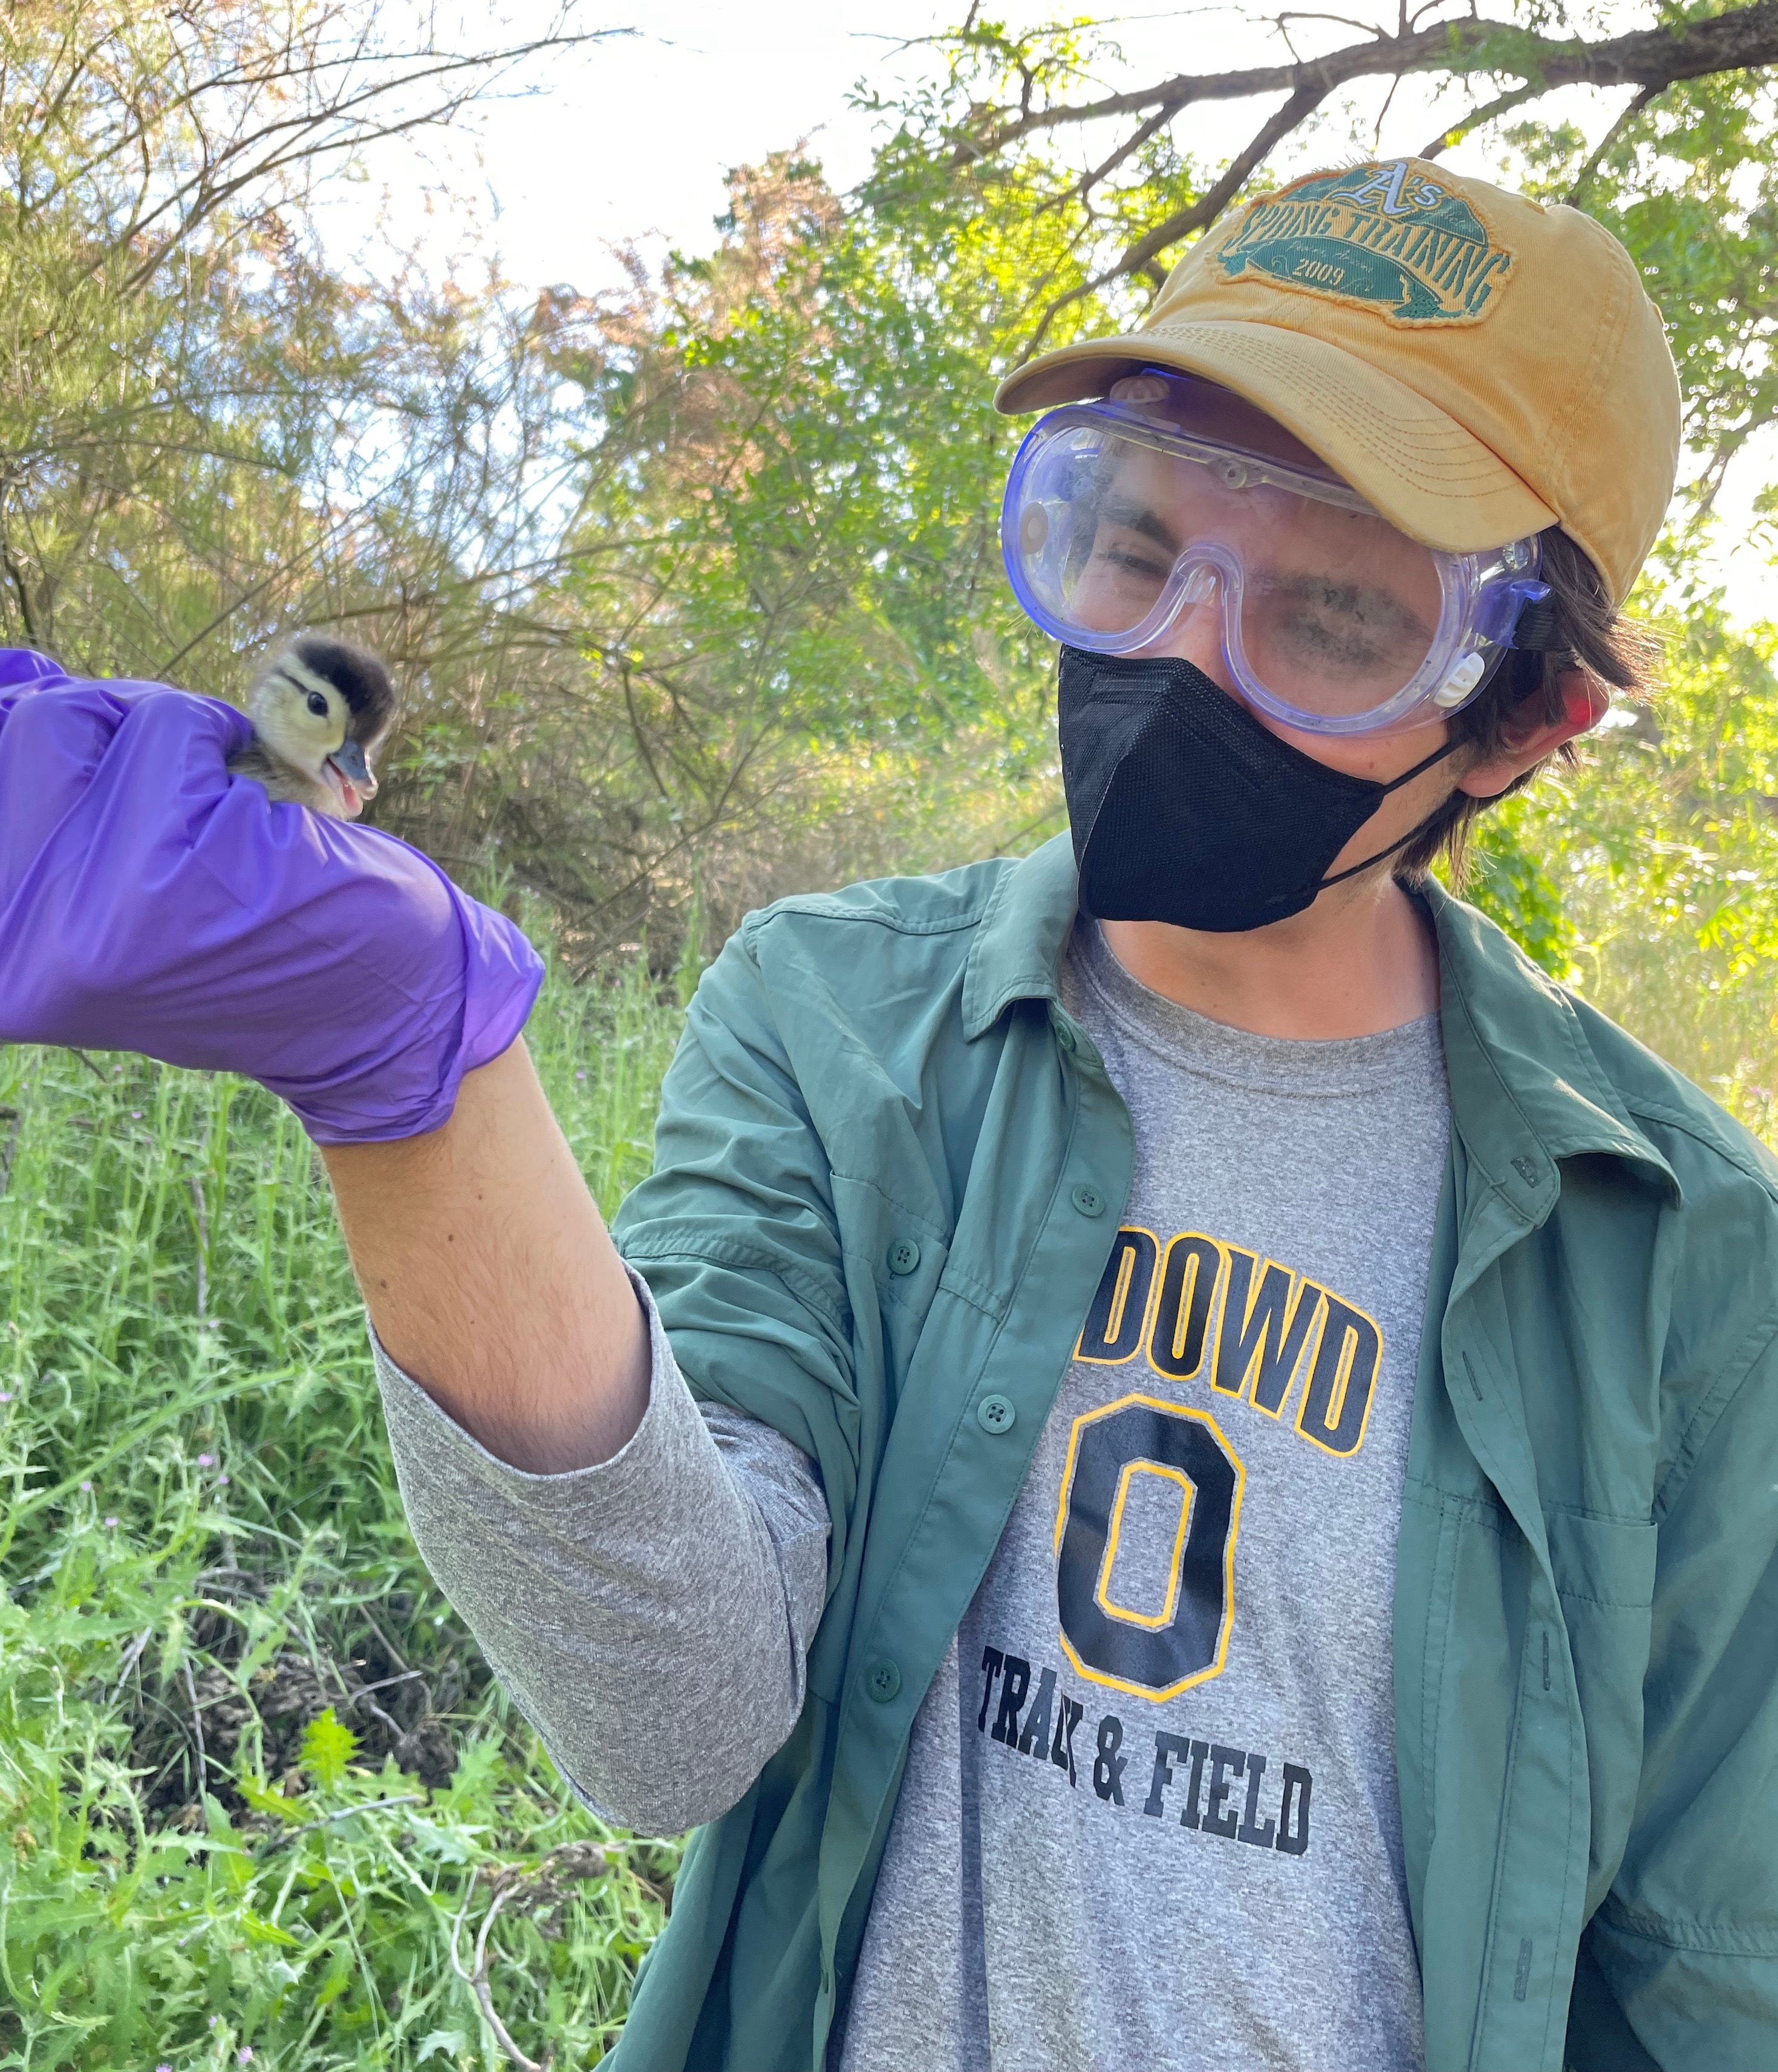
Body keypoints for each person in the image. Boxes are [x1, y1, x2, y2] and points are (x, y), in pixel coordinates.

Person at [2, 156, 1774, 2072]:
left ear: (1516, 721)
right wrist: (406, 1060)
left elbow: (1717, 1974)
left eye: (1331, 615)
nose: (1174, 645)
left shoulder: (1681, 1254)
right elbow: (668, 1719)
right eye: (1130, 542)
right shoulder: (834, 1017)